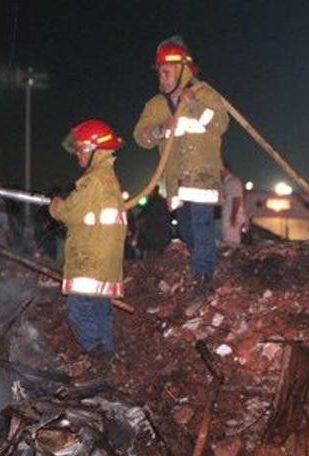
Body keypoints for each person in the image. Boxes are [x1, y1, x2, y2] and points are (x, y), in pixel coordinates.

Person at [133, 37, 229, 292]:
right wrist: (160, 130)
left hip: (202, 177)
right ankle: (204, 262)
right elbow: (140, 136)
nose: (161, 78)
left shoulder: (205, 94)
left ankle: (204, 276)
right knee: (187, 229)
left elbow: (220, 123)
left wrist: (194, 105)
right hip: (176, 181)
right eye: (160, 73)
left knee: (201, 225)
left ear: (182, 71)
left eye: (166, 73)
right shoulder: (155, 106)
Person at [49, 119, 128, 379]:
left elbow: (70, 212)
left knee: (78, 310)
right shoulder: (109, 179)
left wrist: (56, 206)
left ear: (96, 149)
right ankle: (108, 354)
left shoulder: (92, 182)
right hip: (105, 261)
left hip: (89, 260)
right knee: (100, 308)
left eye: (82, 148)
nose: (78, 154)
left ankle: (96, 354)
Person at [220, 162, 246, 244]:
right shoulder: (226, 183)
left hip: (231, 217)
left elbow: (237, 199)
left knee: (231, 240)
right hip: (229, 216)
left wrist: (233, 216)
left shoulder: (233, 182)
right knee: (228, 239)